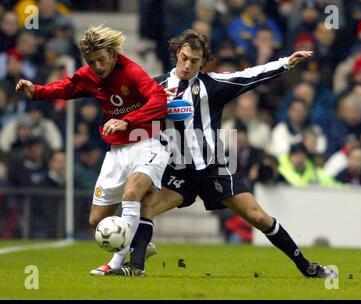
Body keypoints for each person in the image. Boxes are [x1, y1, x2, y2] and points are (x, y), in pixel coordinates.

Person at [96, 29, 329, 278]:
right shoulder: (155, 87)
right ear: (177, 54)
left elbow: (250, 75)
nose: (187, 65)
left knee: (258, 217)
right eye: (184, 57)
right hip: (176, 169)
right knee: (147, 207)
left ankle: (306, 266)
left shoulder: (213, 86)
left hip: (212, 168)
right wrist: (125, 120)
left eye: (194, 61)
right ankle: (136, 267)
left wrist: (286, 63)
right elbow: (127, 105)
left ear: (202, 62)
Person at [15, 25, 170, 263]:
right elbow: (66, 87)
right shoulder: (89, 75)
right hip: (117, 149)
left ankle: (118, 264)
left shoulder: (131, 71)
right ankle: (138, 245)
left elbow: (159, 99)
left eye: (100, 59)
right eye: (91, 61)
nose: (97, 66)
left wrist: (126, 121)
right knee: (97, 221)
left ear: (112, 54)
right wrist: (36, 91)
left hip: (147, 140)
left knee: (132, 193)